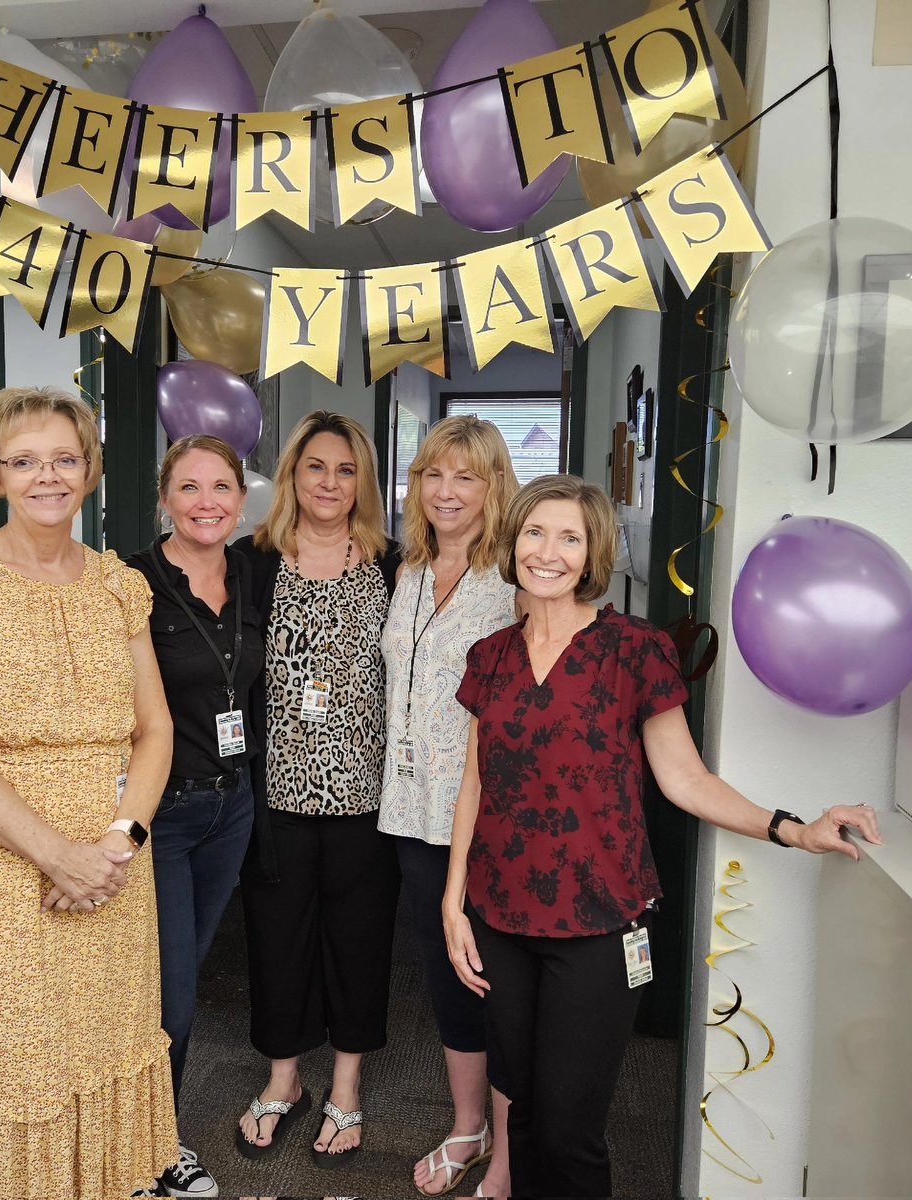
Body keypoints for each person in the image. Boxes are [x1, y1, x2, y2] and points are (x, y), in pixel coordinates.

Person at [443, 474, 883, 1199]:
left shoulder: (633, 650)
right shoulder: (490, 656)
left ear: (592, 556)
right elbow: (475, 785)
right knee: (519, 1112)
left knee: (568, 1131)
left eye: (568, 537)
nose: (546, 551)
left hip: (601, 922)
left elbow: (686, 780)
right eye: (533, 532)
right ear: (512, 540)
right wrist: (454, 902)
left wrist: (795, 830)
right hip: (501, 915)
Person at [0, 386, 177, 1200]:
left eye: (65, 459)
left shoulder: (119, 586)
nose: (48, 476)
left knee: (102, 1045)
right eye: (25, 461)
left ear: (90, 470)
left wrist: (119, 842)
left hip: (110, 870)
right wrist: (57, 855)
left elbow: (155, 731)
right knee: (14, 1059)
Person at [233, 411, 400, 1167]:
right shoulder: (253, 561)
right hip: (276, 795)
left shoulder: (396, 565)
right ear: (292, 476)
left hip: (369, 798)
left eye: (345, 470)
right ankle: (283, 1080)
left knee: (358, 942)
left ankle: (347, 1087)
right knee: (276, 940)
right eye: (315, 468)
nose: (329, 483)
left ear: (361, 480)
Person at [378, 417, 518, 1197]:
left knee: (493, 984)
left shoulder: (516, 582)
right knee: (442, 974)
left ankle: (506, 1153)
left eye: (466, 476)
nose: (447, 491)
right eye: (434, 474)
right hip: (409, 814)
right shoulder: (409, 570)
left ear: (494, 486)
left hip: (485, 818)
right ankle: (467, 1126)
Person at [127, 435, 264, 1198]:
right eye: (189, 487)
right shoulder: (130, 581)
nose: (207, 502)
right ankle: (151, 1149)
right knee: (170, 998)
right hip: (162, 815)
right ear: (164, 499)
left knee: (178, 984)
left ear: (242, 500)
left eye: (221, 487)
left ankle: (149, 1131)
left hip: (231, 808)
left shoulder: (250, 573)